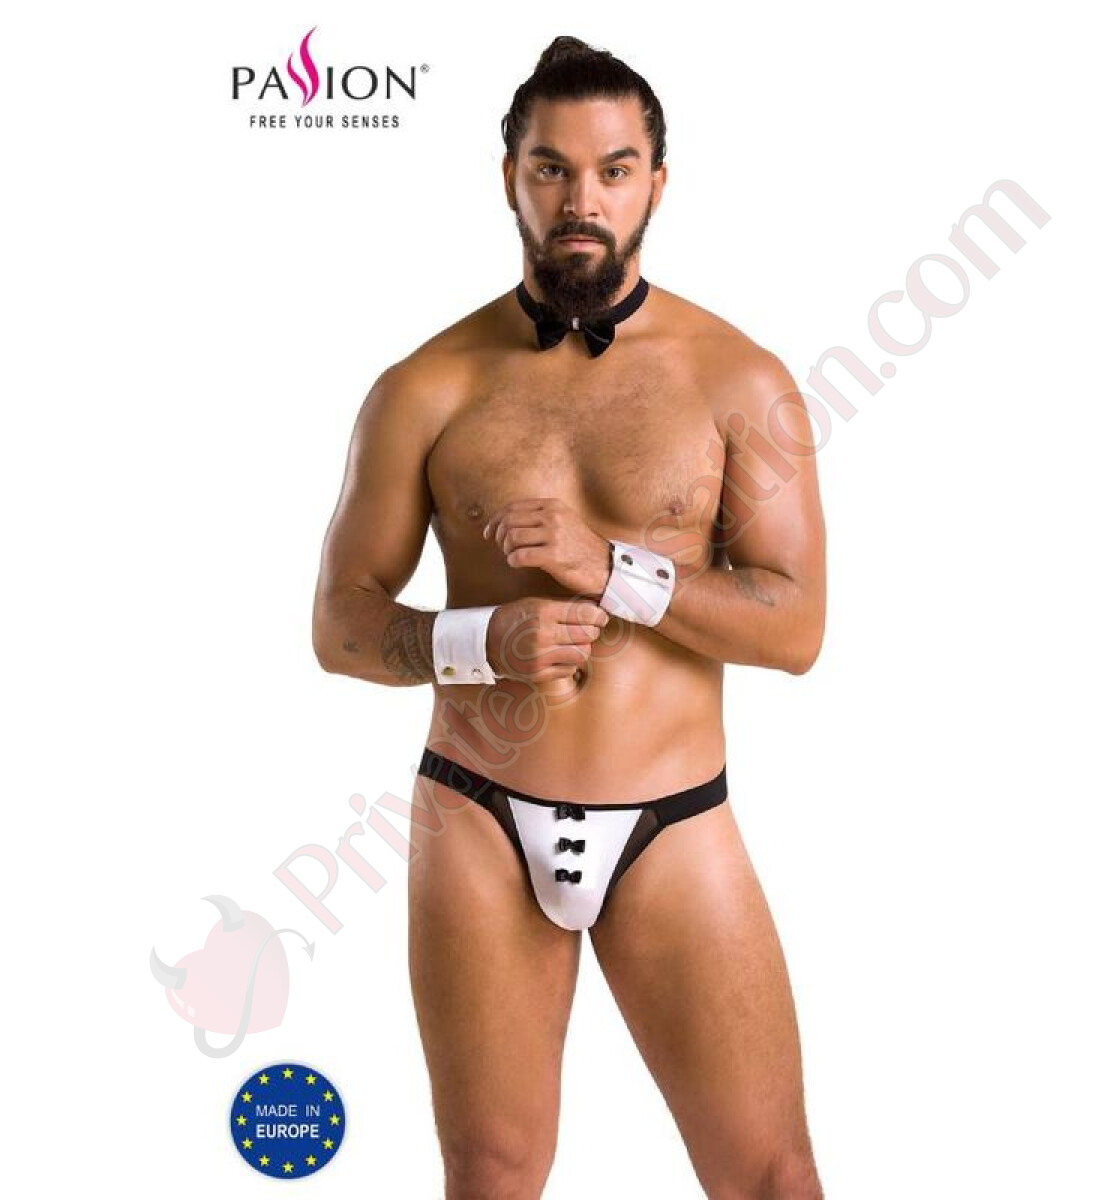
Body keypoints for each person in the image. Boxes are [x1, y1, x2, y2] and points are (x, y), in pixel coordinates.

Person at [312, 34, 828, 1200]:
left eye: (613, 169)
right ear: (512, 176)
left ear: (656, 182)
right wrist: (471, 644)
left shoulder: (739, 379)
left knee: (769, 1173)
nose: (580, 199)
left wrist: (615, 570)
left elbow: (796, 629)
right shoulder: (423, 387)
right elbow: (339, 624)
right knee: (492, 1171)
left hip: (673, 822)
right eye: (552, 168)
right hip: (477, 814)